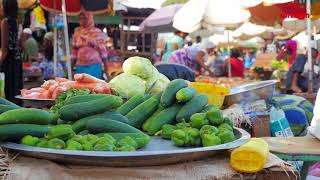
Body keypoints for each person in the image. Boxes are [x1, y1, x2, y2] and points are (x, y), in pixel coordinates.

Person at [71, 11, 108, 79]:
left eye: (84, 18)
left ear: (90, 19)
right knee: (80, 87)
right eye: (80, 18)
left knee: (94, 87)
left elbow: (103, 52)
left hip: (94, 65)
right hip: (80, 65)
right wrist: (71, 67)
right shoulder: (77, 32)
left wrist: (106, 70)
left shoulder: (97, 32)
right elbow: (74, 51)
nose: (82, 20)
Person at [0, 0, 22, 105]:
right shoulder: (15, 21)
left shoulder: (5, 22)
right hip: (17, 59)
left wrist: (0, 62)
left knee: (8, 89)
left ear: (5, 7)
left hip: (8, 60)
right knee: (16, 88)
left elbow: (5, 48)